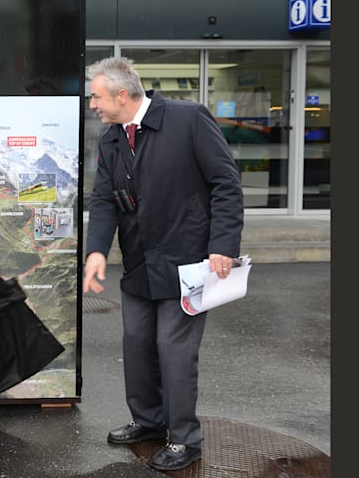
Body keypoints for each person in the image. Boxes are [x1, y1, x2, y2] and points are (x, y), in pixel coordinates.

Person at [82, 57, 243, 471]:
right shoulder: (112, 139)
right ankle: (149, 421)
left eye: (96, 97)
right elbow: (104, 200)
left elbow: (225, 183)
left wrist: (222, 245)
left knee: (174, 349)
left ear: (121, 95)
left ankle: (184, 438)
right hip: (139, 261)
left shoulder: (188, 120)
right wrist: (97, 250)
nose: (93, 105)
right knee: (137, 344)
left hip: (188, 261)